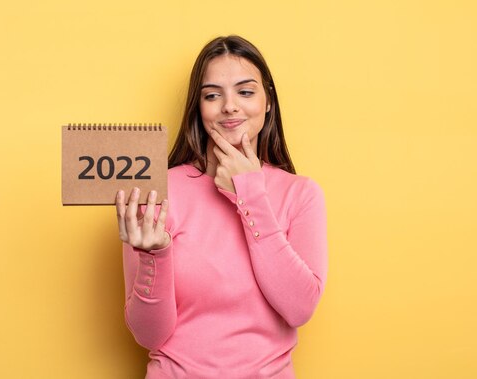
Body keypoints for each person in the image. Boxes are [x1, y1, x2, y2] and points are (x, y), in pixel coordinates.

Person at [115, 35, 328, 379]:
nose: (230, 106)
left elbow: (299, 308)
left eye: (245, 92)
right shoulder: (158, 193)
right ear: (198, 108)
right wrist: (154, 255)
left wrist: (249, 195)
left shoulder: (300, 194)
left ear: (268, 101)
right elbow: (149, 335)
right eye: (213, 95)